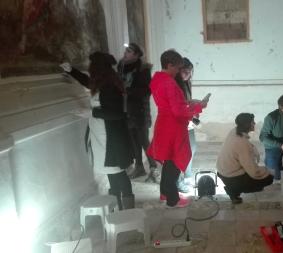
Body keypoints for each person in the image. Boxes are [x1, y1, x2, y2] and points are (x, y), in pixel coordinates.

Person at [60, 52, 135, 209]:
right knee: (112, 173)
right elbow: (87, 82)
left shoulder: (109, 86)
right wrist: (71, 71)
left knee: (118, 174)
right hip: (103, 135)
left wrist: (92, 113)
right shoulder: (104, 82)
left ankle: (128, 210)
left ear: (97, 69)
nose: (90, 70)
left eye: (92, 67)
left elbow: (116, 113)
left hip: (111, 138)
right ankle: (116, 208)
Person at [147, 49, 207, 208]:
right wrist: (199, 107)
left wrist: (189, 103)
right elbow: (178, 111)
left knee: (168, 160)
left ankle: (164, 193)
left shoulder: (157, 79)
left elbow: (171, 104)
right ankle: (173, 199)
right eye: (177, 67)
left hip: (163, 123)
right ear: (169, 65)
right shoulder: (169, 83)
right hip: (173, 126)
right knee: (173, 162)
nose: (178, 71)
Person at [117, 43, 158, 181]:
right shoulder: (121, 66)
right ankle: (139, 167)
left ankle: (153, 167)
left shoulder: (143, 70)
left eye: (129, 51)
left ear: (136, 55)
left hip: (139, 110)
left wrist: (127, 91)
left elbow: (146, 90)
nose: (125, 53)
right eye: (126, 50)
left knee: (143, 140)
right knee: (133, 140)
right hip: (126, 109)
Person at [217, 113, 274, 204]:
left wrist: (253, 149)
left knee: (259, 173)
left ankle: (233, 188)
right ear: (247, 125)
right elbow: (254, 172)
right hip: (230, 176)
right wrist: (267, 171)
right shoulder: (242, 143)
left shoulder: (234, 131)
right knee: (269, 179)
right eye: (252, 122)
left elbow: (245, 147)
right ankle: (233, 189)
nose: (255, 123)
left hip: (222, 172)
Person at [174, 57, 198, 193]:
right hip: (180, 122)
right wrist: (192, 106)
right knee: (181, 151)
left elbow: (186, 102)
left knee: (192, 147)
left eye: (190, 72)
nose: (188, 75)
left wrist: (193, 105)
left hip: (188, 121)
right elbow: (179, 106)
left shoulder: (186, 83)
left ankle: (188, 175)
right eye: (185, 72)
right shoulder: (175, 85)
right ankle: (178, 181)